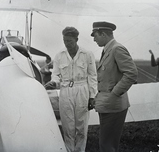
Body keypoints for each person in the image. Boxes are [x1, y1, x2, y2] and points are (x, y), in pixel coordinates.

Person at [47, 26, 97, 152]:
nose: (67, 44)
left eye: (69, 41)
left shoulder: (87, 54)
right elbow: (56, 74)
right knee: (68, 126)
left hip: (82, 90)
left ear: (76, 39)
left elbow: (92, 76)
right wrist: (54, 82)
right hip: (65, 91)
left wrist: (92, 96)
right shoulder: (59, 55)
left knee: (81, 126)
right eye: (65, 41)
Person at [91, 21, 138, 152]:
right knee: (107, 144)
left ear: (103, 34)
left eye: (95, 35)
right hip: (108, 104)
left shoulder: (116, 49)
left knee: (107, 145)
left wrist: (114, 94)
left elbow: (131, 73)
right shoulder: (108, 49)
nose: (94, 39)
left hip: (113, 105)